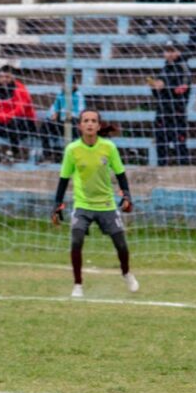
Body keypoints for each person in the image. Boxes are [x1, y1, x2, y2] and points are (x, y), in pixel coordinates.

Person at [51, 109, 138, 298]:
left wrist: (126, 196)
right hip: (82, 204)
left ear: (99, 126)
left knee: (121, 245)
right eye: (85, 120)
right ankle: (78, 285)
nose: (89, 124)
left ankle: (126, 273)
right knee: (76, 240)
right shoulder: (72, 150)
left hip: (106, 204)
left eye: (93, 121)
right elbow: (64, 179)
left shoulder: (109, 147)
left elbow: (121, 174)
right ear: (80, 125)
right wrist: (57, 205)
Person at [0, 65, 37, 162]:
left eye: (7, 77)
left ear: (13, 77)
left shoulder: (20, 89)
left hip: (25, 125)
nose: (4, 79)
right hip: (4, 124)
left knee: (15, 121)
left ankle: (12, 153)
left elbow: (19, 111)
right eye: (1, 77)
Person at [149, 40, 192, 165]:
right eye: (167, 51)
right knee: (160, 140)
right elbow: (158, 94)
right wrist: (154, 88)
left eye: (172, 51)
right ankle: (161, 168)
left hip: (177, 111)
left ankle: (183, 169)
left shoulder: (184, 68)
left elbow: (182, 89)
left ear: (178, 52)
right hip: (162, 111)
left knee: (179, 141)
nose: (169, 54)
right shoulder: (164, 69)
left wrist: (165, 86)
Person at [40, 86, 86, 162]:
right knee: (44, 126)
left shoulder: (78, 96)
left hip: (73, 123)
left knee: (72, 123)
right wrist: (53, 115)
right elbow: (54, 108)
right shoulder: (60, 95)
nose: (65, 85)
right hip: (60, 122)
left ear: (74, 84)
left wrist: (69, 115)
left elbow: (80, 112)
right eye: (64, 83)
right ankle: (47, 154)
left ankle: (70, 155)